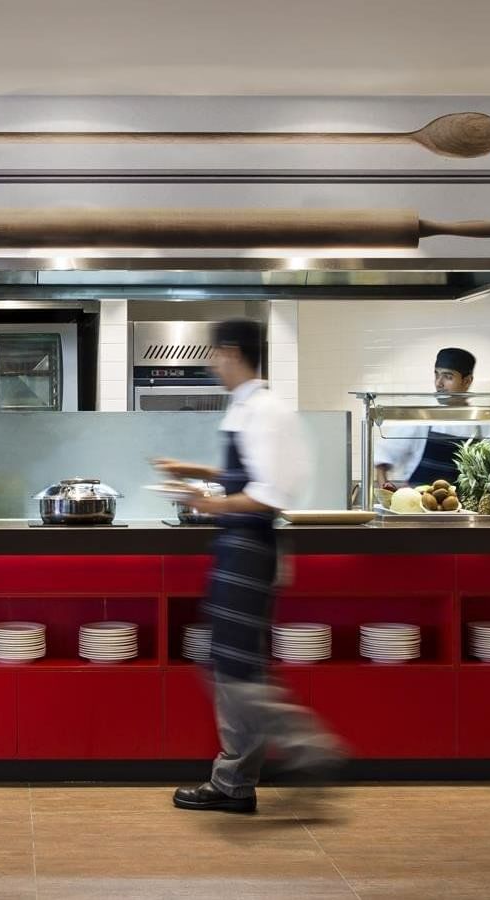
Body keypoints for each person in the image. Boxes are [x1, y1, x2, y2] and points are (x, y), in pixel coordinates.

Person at [153, 318, 342, 814]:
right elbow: (250, 473)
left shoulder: (265, 410)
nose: (212, 363)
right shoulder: (249, 406)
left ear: (232, 352)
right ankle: (235, 780)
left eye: (215, 354)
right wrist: (194, 472)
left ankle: (306, 744)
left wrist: (210, 505)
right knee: (233, 664)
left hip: (250, 549)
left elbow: (268, 494)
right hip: (240, 549)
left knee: (232, 668)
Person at [373, 347, 490, 488]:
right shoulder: (423, 416)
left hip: (464, 508)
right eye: (437, 375)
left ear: (467, 381)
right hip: (419, 505)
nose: (439, 383)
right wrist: (386, 493)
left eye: (448, 377)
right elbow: (383, 455)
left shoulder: (482, 423)